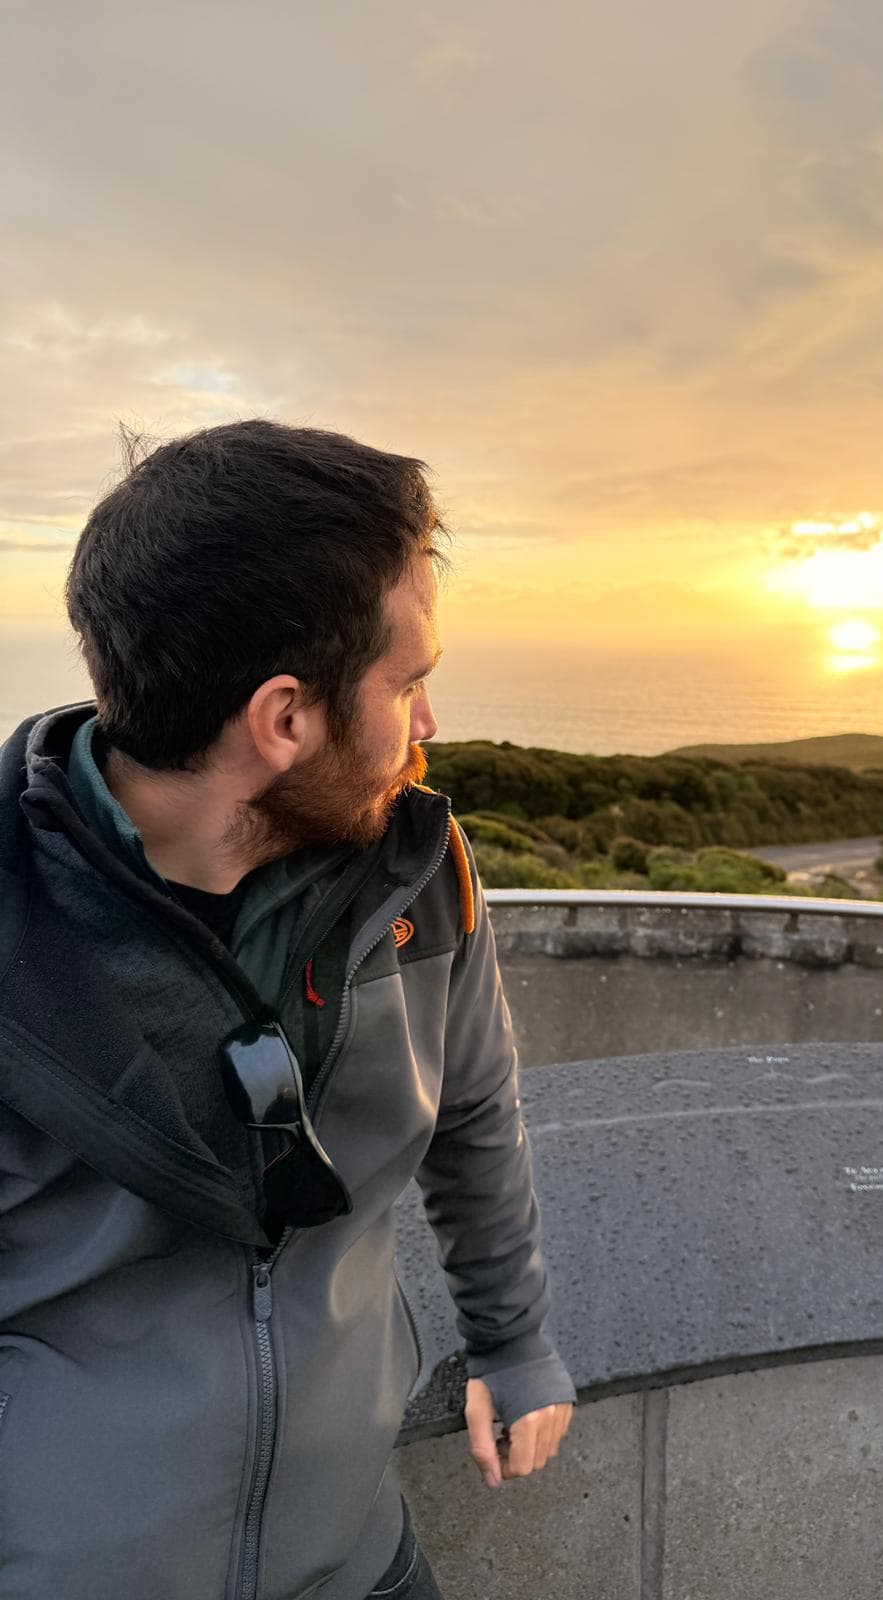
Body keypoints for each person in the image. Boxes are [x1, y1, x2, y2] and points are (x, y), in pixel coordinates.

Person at [0, 419, 576, 1600]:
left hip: (360, 1559)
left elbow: (471, 1112)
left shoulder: (423, 869)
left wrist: (513, 1340)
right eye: (407, 683)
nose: (428, 728)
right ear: (284, 718)